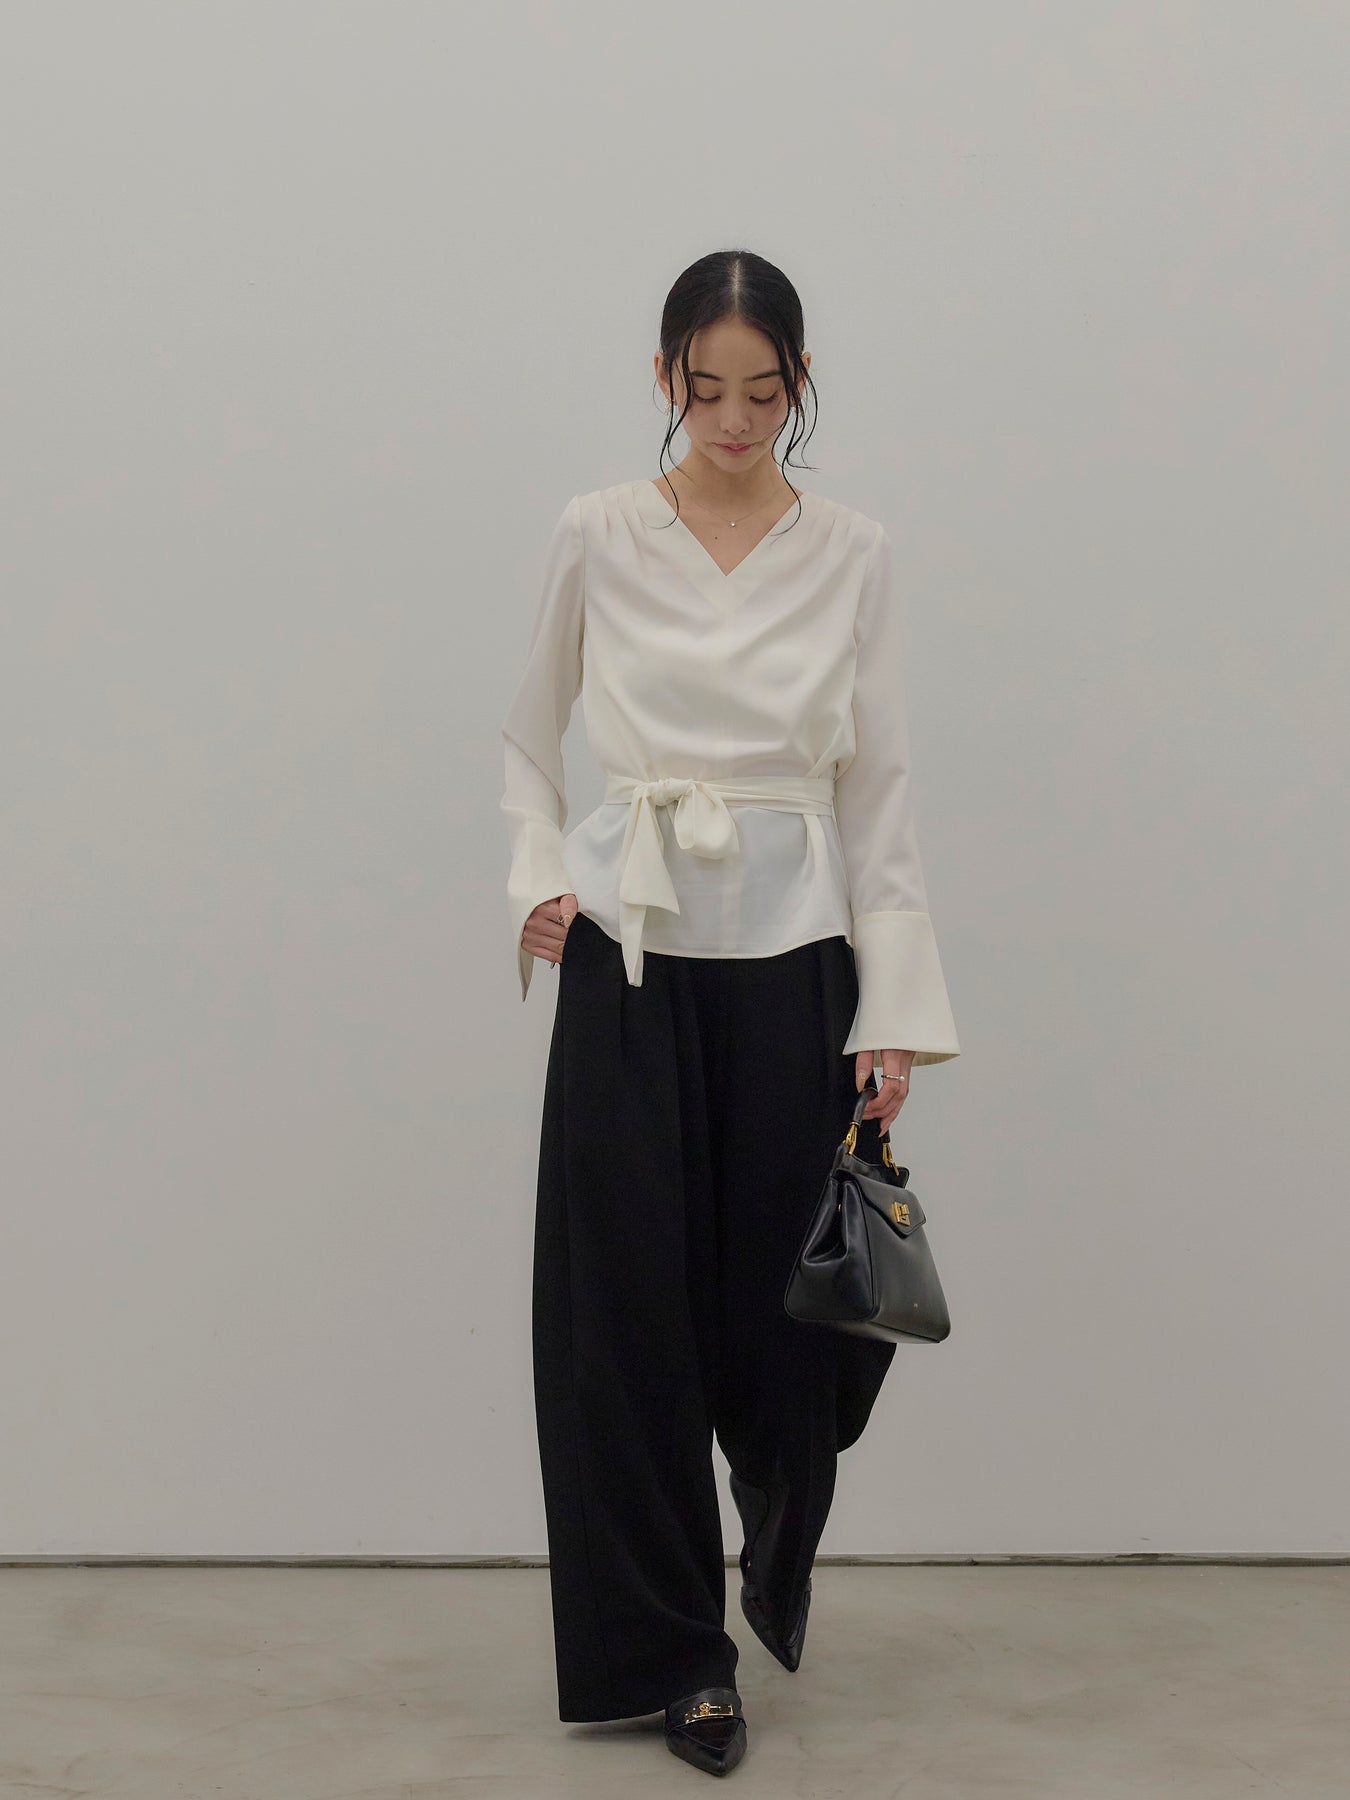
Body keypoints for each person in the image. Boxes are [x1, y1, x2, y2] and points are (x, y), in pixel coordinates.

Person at [499, 248, 961, 1779]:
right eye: (706, 391)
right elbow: (526, 736)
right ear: (664, 381)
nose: (736, 420)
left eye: (765, 393)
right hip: (628, 953)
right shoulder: (596, 531)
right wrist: (535, 882)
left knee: (784, 1316)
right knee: (621, 1317)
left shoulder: (851, 551)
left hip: (796, 957)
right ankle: (674, 1660)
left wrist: (891, 1009)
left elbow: (876, 788)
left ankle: (773, 1517)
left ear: (799, 385)